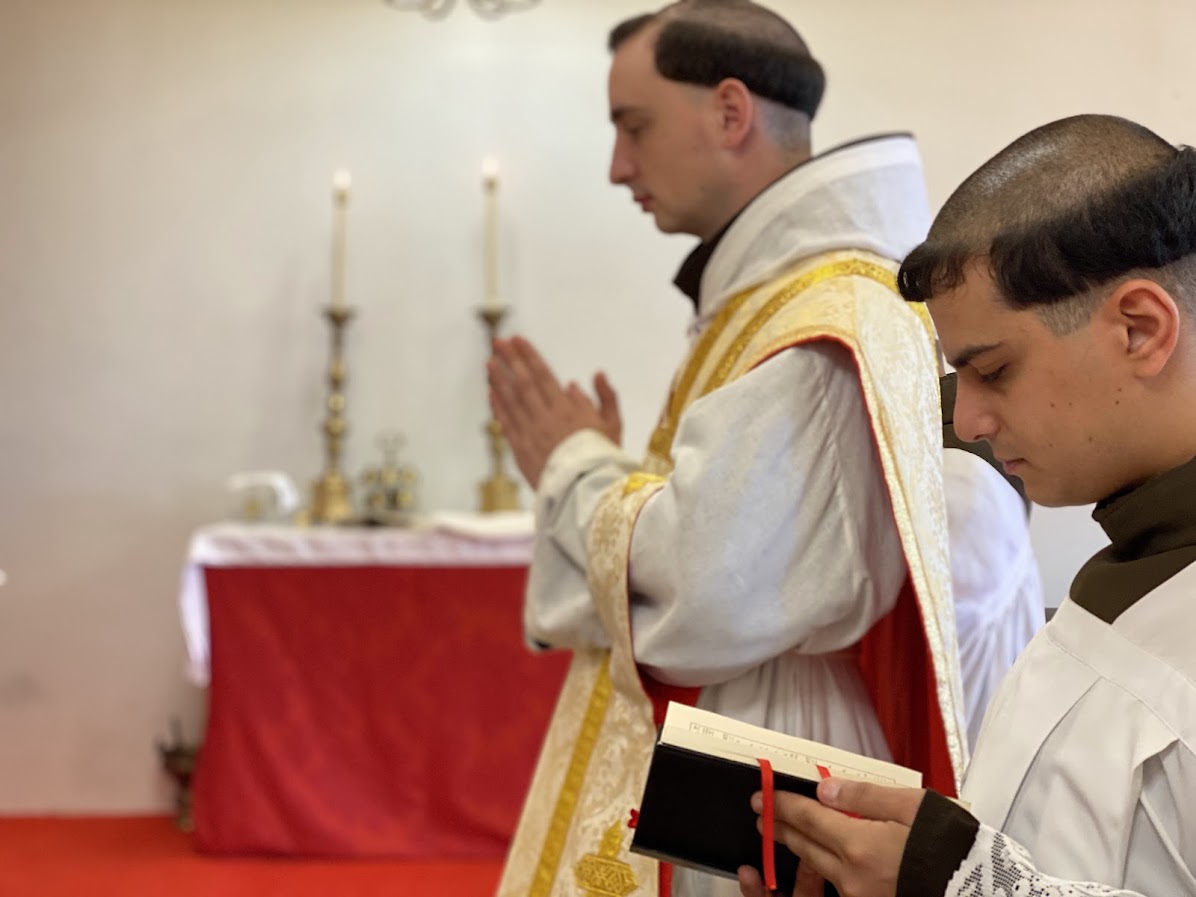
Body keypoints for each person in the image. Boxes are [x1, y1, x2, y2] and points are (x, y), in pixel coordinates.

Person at [490, 3, 971, 895]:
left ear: (730, 111)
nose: (617, 165)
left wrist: (574, 465)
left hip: (764, 753)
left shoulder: (825, 317)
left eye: (634, 126)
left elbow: (705, 591)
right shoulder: (779, 302)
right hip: (745, 737)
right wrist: (605, 472)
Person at [740, 113, 1196, 897]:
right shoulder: (1129, 564)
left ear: (1139, 328)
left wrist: (952, 883)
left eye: (994, 370)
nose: (968, 420)